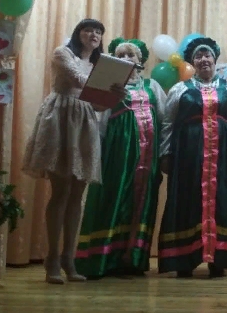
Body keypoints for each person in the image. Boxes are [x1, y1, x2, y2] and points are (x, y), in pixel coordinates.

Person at [22, 18, 126, 284]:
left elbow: (98, 105)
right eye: (88, 29)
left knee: (78, 194)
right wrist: (109, 82)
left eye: (99, 31)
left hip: (85, 122)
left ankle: (69, 258)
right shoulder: (63, 53)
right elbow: (79, 81)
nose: (94, 34)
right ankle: (52, 259)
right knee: (60, 191)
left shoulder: (98, 66)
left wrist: (115, 95)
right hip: (60, 119)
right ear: (78, 33)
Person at [157, 36, 227, 278]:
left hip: (223, 154)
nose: (203, 59)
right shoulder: (180, 89)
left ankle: (219, 258)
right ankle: (184, 259)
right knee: (187, 198)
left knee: (222, 198)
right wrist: (165, 152)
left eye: (207, 55)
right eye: (198, 56)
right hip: (188, 154)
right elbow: (168, 123)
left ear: (214, 59)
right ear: (192, 62)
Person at [74, 38, 167, 279]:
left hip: (148, 158)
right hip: (118, 155)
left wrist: (164, 153)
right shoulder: (108, 87)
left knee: (143, 203)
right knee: (114, 199)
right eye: (120, 55)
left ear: (140, 60)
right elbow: (99, 123)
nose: (126, 59)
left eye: (130, 55)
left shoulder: (153, 86)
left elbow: (164, 119)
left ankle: (134, 259)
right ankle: (106, 259)